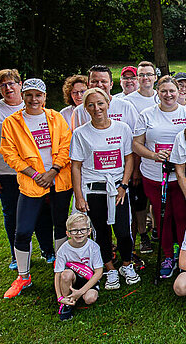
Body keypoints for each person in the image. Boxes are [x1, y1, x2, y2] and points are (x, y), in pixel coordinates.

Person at [0, 78, 73, 299]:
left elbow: (66, 145)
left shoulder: (56, 117)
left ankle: (59, 268)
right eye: (29, 95)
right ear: (23, 96)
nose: (34, 99)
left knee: (60, 225)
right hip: (31, 183)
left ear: (44, 97)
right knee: (23, 230)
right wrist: (34, 174)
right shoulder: (12, 122)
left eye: (38, 95)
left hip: (59, 179)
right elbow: (9, 153)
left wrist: (53, 171)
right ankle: (23, 276)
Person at [69, 65, 148, 257]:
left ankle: (129, 256)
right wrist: (79, 194)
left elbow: (133, 145)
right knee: (100, 228)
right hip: (93, 185)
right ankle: (107, 261)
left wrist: (129, 178)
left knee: (125, 224)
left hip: (121, 180)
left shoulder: (124, 111)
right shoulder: (80, 115)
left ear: (111, 84)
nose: (96, 108)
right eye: (95, 81)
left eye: (103, 81)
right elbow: (77, 161)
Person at [70, 87, 139, 290]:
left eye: (100, 103)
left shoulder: (122, 128)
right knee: (101, 232)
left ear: (108, 103)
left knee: (123, 231)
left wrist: (124, 186)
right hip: (94, 191)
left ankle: (127, 265)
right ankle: (109, 269)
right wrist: (79, 196)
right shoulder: (80, 134)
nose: (96, 108)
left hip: (118, 189)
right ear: (85, 109)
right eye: (90, 105)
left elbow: (128, 158)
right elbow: (76, 166)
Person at [132, 75, 186, 279]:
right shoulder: (147, 114)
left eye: (172, 91)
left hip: (181, 176)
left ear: (179, 92)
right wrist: (154, 156)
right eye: (164, 91)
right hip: (155, 176)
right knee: (163, 216)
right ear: (158, 92)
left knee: (183, 216)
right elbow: (136, 144)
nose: (168, 95)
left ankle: (185, 256)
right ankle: (168, 255)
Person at [0, 69, 36, 270]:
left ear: (20, 84)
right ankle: (16, 254)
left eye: (11, 83)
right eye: (3, 85)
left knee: (42, 213)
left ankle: (47, 250)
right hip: (7, 173)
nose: (8, 88)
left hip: (34, 173)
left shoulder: (34, 104)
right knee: (12, 214)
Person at [53, 213, 103, 321]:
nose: (79, 233)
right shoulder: (63, 249)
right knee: (66, 275)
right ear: (68, 233)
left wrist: (81, 292)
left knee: (90, 299)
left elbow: (99, 272)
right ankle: (67, 302)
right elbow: (58, 274)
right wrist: (59, 297)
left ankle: (78, 294)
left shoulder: (94, 247)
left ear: (89, 231)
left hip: (87, 279)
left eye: (83, 230)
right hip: (73, 277)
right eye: (74, 230)